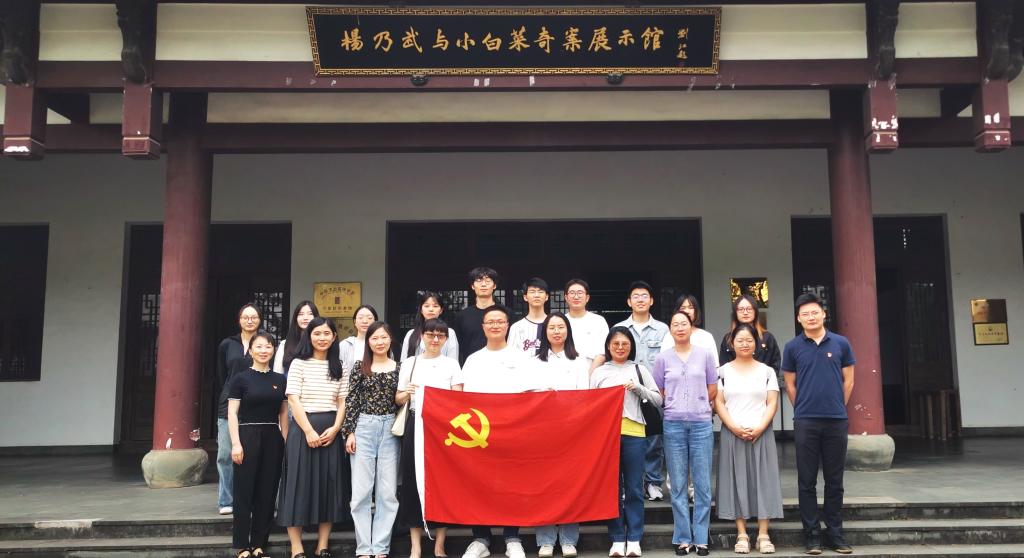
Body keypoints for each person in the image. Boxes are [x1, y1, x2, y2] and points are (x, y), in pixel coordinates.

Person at [460, 305, 541, 558]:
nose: (495, 325)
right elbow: (463, 399)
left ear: (507, 326)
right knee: (478, 485)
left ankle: (512, 537)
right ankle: (481, 538)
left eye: (500, 321)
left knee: (512, 485)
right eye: (490, 322)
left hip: (513, 432)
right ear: (483, 327)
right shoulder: (473, 360)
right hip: (480, 434)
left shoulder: (522, 358)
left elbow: (532, 395)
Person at [782, 293, 855, 556]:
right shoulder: (792, 347)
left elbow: (849, 380)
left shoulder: (841, 343)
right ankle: (812, 536)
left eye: (815, 312)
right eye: (805, 314)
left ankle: (835, 534)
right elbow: (790, 384)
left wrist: (838, 406)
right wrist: (802, 408)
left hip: (836, 420)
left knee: (835, 480)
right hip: (806, 421)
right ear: (798, 318)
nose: (810, 317)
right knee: (807, 480)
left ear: (824, 314)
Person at [277, 317, 349, 558]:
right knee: (297, 485)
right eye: (317, 333)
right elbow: (293, 399)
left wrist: (336, 428)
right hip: (302, 428)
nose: (322, 338)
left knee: (329, 486)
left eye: (327, 333)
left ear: (334, 337)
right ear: (309, 336)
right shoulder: (298, 363)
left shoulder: (339, 365)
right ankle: (296, 547)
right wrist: (308, 430)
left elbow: (342, 401)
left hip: (330, 430)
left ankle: (322, 545)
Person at [590, 326, 662, 558]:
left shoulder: (639, 369)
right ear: (608, 346)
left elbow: (658, 399)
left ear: (631, 346)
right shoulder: (599, 372)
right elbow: (590, 404)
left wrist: (638, 388)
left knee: (634, 488)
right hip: (607, 436)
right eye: (615, 344)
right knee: (612, 489)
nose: (620, 348)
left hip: (635, 434)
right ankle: (617, 538)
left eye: (625, 344)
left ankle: (634, 538)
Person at [395, 318, 464, 558]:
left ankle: (439, 543)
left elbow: (458, 398)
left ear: (446, 339)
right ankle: (415, 545)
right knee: (412, 481)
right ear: (422, 336)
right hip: (416, 423)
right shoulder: (410, 363)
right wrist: (407, 393)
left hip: (443, 428)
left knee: (442, 482)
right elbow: (398, 398)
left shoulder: (452, 364)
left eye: (440, 336)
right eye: (430, 335)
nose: (435, 339)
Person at [653, 311, 718, 557]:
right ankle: (682, 537)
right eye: (675, 324)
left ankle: (700, 537)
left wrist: (698, 404)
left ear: (692, 327)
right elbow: (659, 390)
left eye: (684, 324)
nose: (680, 328)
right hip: (673, 424)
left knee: (702, 484)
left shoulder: (705, 355)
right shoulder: (662, 358)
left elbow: (713, 387)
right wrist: (675, 404)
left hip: (701, 424)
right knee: (678, 484)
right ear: (670, 330)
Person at [714, 323, 783, 555]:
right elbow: (719, 402)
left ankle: (763, 534)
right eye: (740, 340)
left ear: (757, 343)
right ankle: (742, 533)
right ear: (731, 343)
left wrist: (760, 427)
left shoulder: (767, 371)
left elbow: (772, 402)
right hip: (732, 431)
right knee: (736, 481)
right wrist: (733, 427)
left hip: (761, 432)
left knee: (764, 481)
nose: (744, 344)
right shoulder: (722, 371)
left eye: (749, 340)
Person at [532, 312, 589, 558]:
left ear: (568, 331)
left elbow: (585, 396)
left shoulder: (579, 361)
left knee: (570, 485)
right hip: (542, 430)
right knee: (543, 485)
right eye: (552, 327)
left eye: (561, 327)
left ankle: (568, 539)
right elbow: (527, 394)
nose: (556, 331)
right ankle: (545, 539)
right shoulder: (534, 361)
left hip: (571, 430)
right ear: (544, 332)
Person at [343, 321, 402, 558]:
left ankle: (380, 547)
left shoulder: (400, 367)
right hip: (363, 428)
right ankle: (363, 548)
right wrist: (349, 432)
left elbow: (400, 400)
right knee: (361, 493)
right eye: (375, 338)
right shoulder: (360, 367)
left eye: (383, 337)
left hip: (390, 429)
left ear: (390, 340)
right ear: (368, 341)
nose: (380, 342)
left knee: (387, 493)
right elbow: (351, 400)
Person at [227, 331, 288, 558]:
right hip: (247, 435)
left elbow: (283, 413)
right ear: (251, 350)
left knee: (267, 491)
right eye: (259, 346)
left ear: (274, 350)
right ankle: (242, 546)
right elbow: (232, 413)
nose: (264, 351)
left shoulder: (280, 379)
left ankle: (259, 544)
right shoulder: (240, 379)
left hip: (273, 436)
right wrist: (236, 444)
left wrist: (285, 441)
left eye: (268, 346)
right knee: (244, 491)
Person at [613, 281, 669, 502]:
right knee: (627, 441)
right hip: (626, 393)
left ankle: (653, 483)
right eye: (635, 296)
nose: (640, 300)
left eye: (644, 296)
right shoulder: (620, 328)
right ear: (629, 301)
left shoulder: (663, 330)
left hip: (652, 391)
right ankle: (626, 484)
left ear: (652, 301)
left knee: (654, 438)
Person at [215, 303, 263, 515]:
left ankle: (250, 500)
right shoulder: (227, 344)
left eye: (254, 317)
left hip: (256, 404)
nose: (250, 321)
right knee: (226, 454)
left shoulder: (265, 342)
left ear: (260, 320)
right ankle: (226, 500)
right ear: (239, 320)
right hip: (229, 405)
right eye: (245, 317)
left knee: (252, 456)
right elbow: (221, 375)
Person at [718, 295, 781, 376]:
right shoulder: (728, 338)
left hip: (762, 382)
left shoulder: (768, 338)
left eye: (749, 309)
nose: (745, 312)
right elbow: (723, 367)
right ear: (735, 313)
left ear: (755, 312)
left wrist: (766, 381)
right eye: (741, 309)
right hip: (734, 382)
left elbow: (775, 365)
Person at [454, 267, 499, 366]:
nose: (483, 284)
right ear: (472, 286)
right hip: (470, 366)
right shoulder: (462, 316)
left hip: (500, 365)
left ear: (494, 285)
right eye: (479, 281)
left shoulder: (505, 314)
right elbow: (458, 347)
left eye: (488, 281)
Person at [659, 294, 719, 368]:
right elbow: (662, 364)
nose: (687, 311)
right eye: (683, 308)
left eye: (691, 308)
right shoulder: (669, 336)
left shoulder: (706, 337)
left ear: (696, 311)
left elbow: (714, 367)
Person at [563, 278, 609, 369]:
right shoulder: (561, 321)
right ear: (566, 297)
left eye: (580, 293)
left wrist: (589, 374)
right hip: (565, 370)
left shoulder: (598, 321)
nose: (576, 297)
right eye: (572, 293)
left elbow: (602, 353)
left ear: (587, 298)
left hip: (593, 370)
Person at [400, 291, 460, 362]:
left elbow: (453, 361)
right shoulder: (410, 334)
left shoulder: (449, 332)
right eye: (427, 306)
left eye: (435, 306)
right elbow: (403, 362)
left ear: (441, 310)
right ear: (421, 310)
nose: (431, 309)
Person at [274, 300, 320, 374]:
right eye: (301, 314)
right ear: (296, 318)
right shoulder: (285, 344)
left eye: (310, 314)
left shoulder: (321, 344)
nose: (305, 318)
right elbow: (278, 373)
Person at [507, 277, 549, 355]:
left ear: (546, 297)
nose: (536, 295)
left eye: (540, 292)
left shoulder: (555, 325)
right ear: (525, 297)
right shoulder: (517, 327)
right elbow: (511, 356)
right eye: (532, 292)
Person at [341, 305, 379, 373]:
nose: (365, 321)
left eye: (369, 318)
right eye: (360, 317)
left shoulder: (382, 344)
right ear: (354, 321)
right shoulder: (344, 345)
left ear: (375, 321)